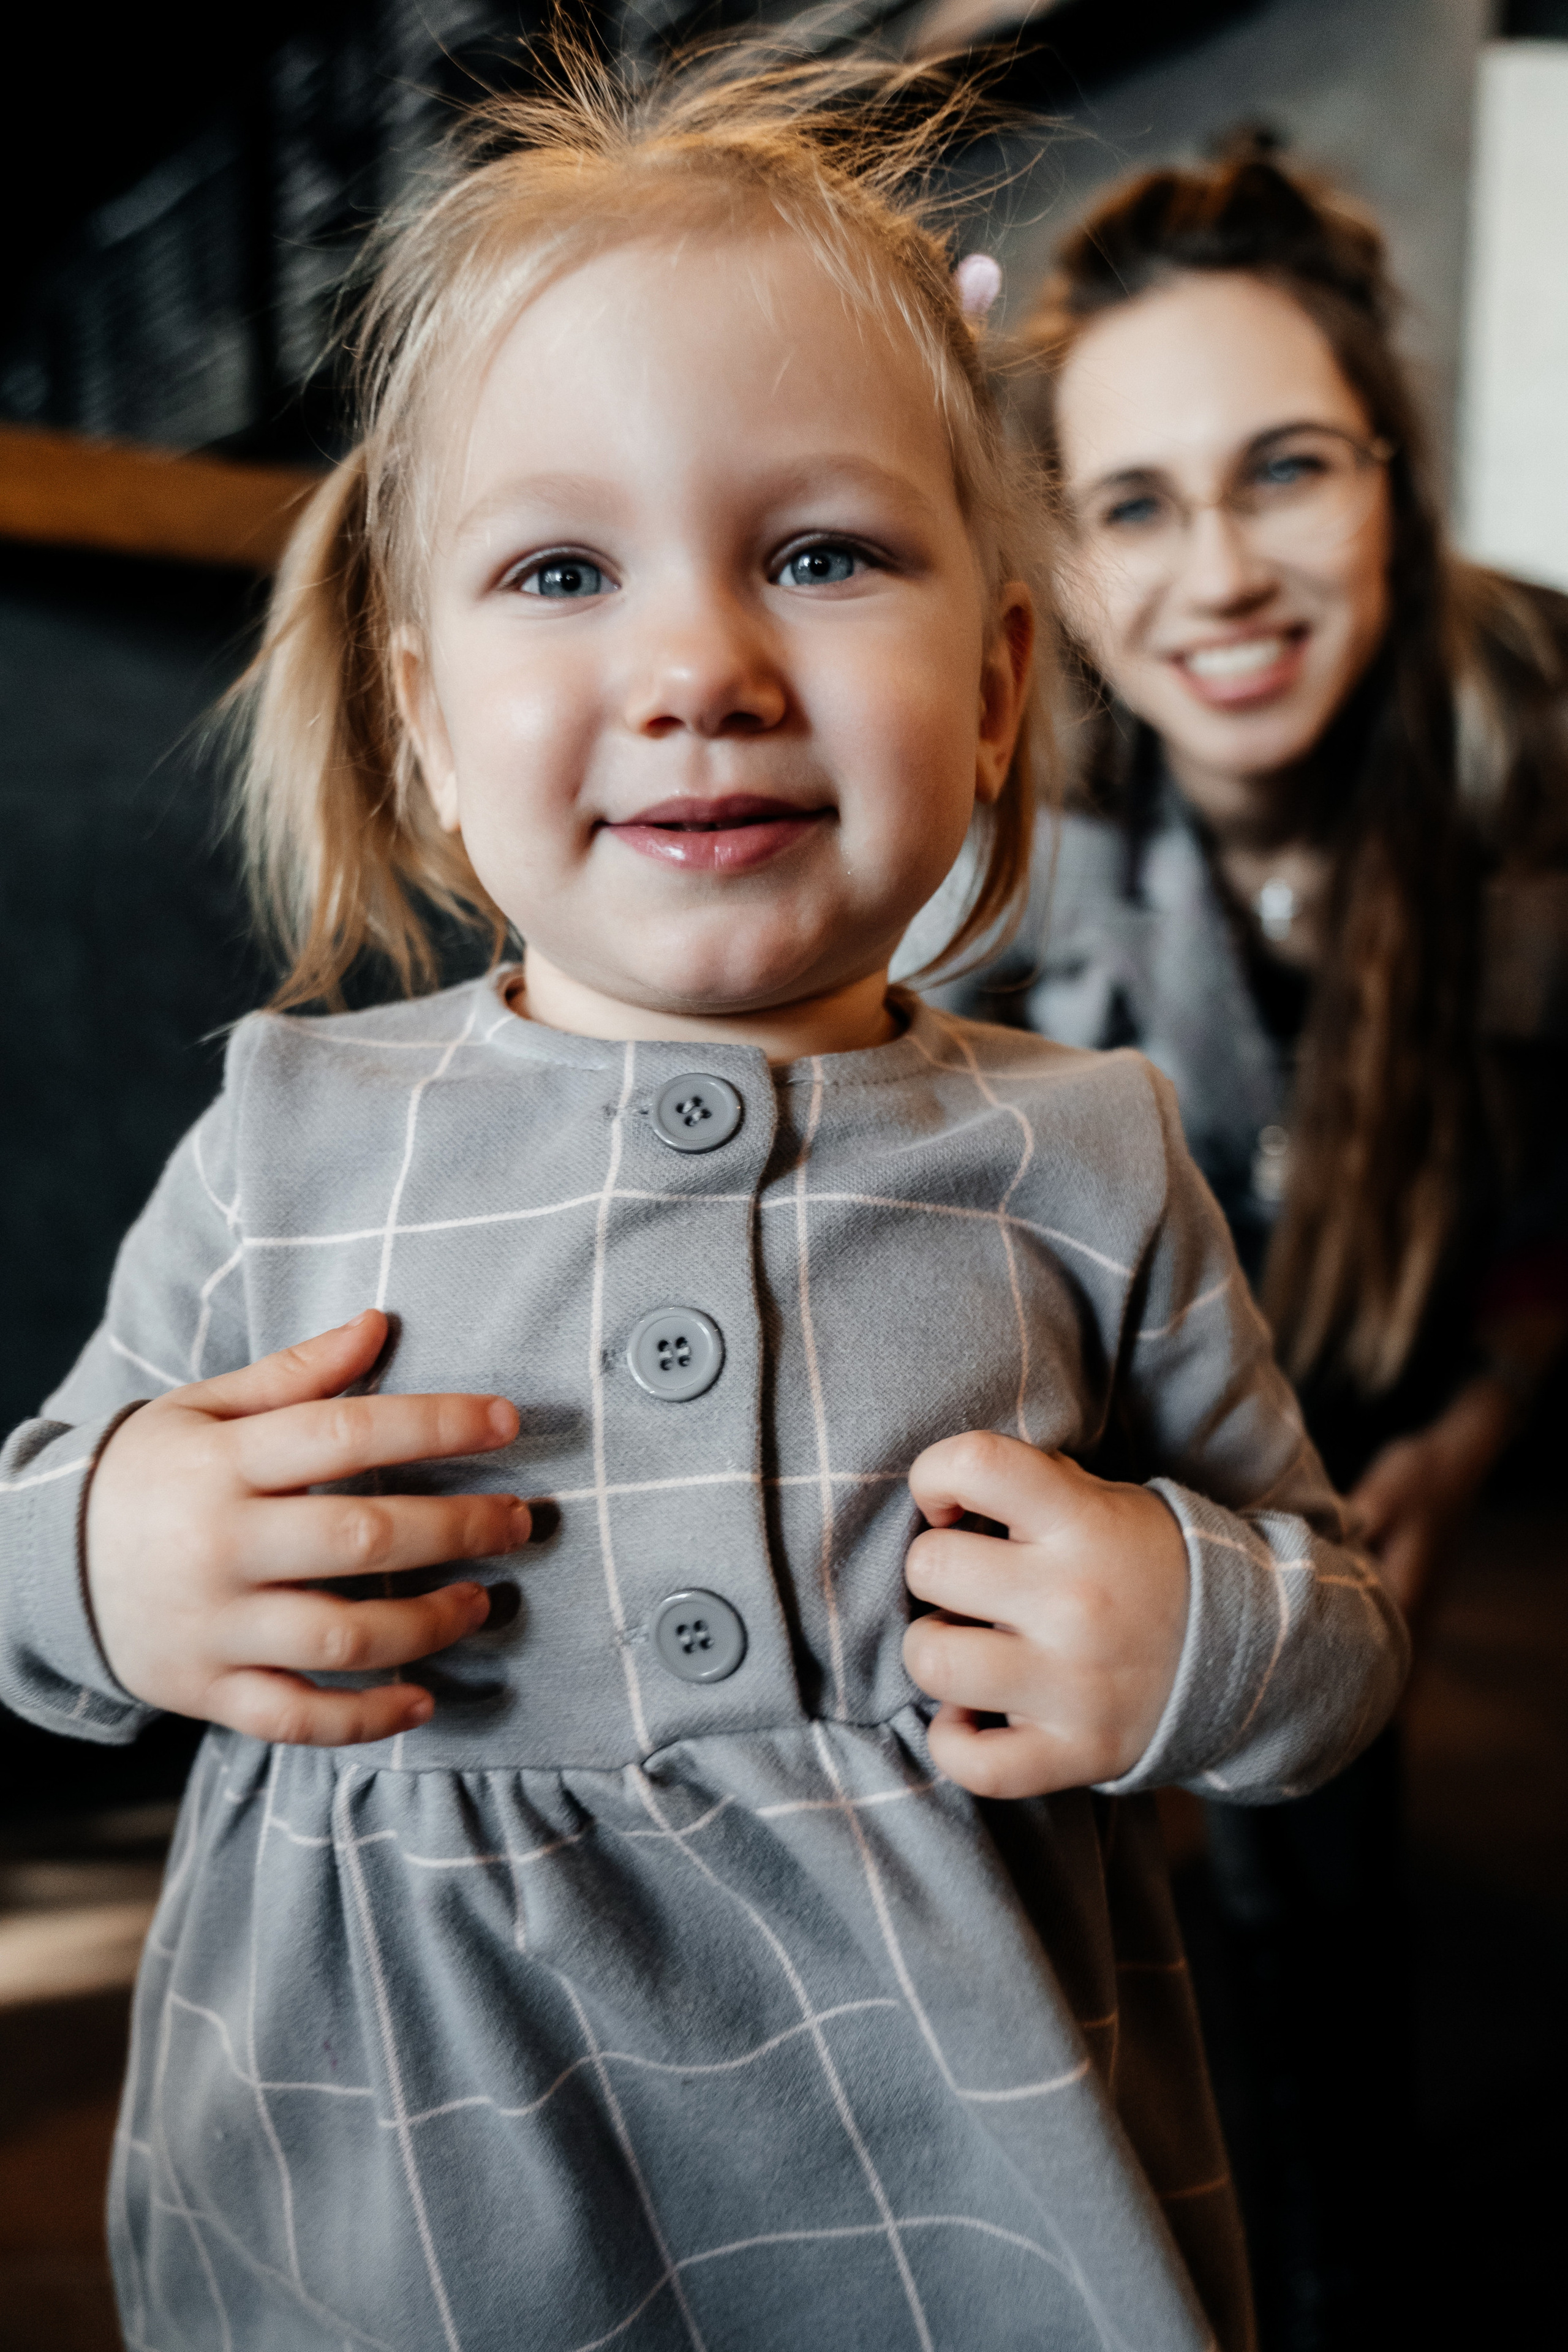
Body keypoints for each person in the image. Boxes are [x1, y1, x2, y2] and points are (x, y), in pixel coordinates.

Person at [0, 54, 1406, 2352]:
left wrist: (1194, 1632)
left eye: (825, 555)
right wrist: (108, 1558)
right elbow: (28, 1536)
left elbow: (1335, 1627)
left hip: (965, 2228)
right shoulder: (283, 1139)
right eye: (565, 571)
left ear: (994, 691)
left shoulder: (1094, 1151)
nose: (700, 672)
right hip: (399, 2233)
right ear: (428, 722)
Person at [943, 150, 1568, 2346]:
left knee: (1333, 1899)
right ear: (1070, 568)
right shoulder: (1002, 839)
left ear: (1390, 471)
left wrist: (1488, 1411)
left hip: (1397, 1400)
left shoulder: (1538, 748)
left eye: (1284, 471)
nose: (1218, 572)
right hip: (1127, 1453)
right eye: (1132, 506)